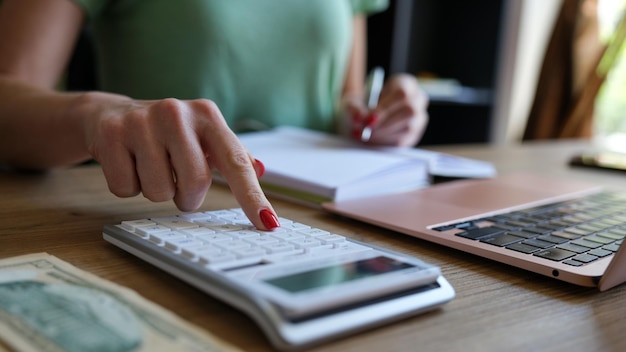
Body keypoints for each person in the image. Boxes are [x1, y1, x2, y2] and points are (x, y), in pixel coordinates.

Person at [0, 0, 429, 230]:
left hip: (329, 213)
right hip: (166, 209)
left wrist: (372, 115)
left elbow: (345, 94)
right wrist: (95, 114)